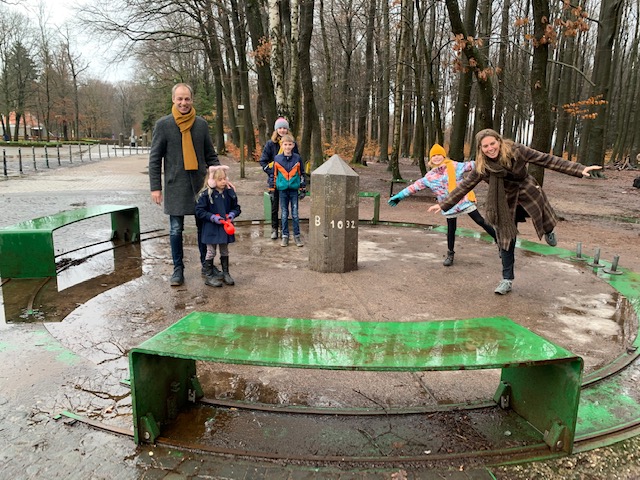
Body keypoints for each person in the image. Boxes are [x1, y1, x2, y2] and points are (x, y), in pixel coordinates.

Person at [428, 128, 602, 294]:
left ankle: (548, 230)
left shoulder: (517, 151)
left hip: (526, 190)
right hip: (504, 201)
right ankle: (507, 279)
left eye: (492, 143)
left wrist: (580, 169)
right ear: (480, 149)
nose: (490, 148)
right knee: (505, 238)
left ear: (499, 141)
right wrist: (444, 204)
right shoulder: (482, 167)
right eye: (485, 146)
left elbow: (547, 160)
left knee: (541, 212)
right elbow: (464, 186)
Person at [149, 83, 221, 286]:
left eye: (187, 98)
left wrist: (220, 177)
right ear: (173, 100)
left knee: (203, 228)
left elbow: (210, 155)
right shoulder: (163, 125)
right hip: (175, 184)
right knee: (175, 229)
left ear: (192, 100)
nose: (183, 102)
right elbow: (155, 159)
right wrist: (156, 187)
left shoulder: (201, 125)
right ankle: (177, 269)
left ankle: (205, 265)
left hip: (199, 185)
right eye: (179, 99)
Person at [388, 144, 497, 266]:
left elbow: (473, 165)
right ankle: (450, 253)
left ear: (444, 156)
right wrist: (400, 195)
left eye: (439, 154)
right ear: (430, 159)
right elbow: (415, 186)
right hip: (447, 205)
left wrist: (490, 158)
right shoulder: (429, 177)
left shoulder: (455, 166)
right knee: (451, 229)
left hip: (462, 200)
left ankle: (500, 242)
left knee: (480, 220)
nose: (437, 157)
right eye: (434, 155)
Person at [195, 165, 241, 287]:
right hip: (211, 228)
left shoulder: (229, 193)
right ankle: (209, 275)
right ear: (212, 180)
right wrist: (213, 217)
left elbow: (236, 208)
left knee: (225, 250)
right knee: (211, 252)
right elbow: (200, 211)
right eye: (220, 179)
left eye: (224, 179)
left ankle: (226, 273)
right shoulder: (206, 194)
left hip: (225, 228)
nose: (223, 182)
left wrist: (231, 215)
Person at [259, 117, 300, 240]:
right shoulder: (270, 144)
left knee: (286, 207)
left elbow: (297, 160)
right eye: (280, 128)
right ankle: (274, 228)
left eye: (284, 128)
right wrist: (273, 171)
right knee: (274, 206)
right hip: (275, 179)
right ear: (276, 130)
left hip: (289, 180)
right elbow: (263, 161)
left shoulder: (292, 143)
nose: (282, 130)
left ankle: (284, 229)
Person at [269, 134, 306, 247]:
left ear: (293, 145)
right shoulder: (277, 159)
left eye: (290, 144)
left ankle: (297, 236)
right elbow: (273, 175)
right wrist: (271, 188)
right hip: (282, 190)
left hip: (294, 190)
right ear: (282, 145)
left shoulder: (297, 158)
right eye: (285, 144)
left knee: (295, 213)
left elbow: (302, 174)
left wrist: (302, 188)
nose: (288, 147)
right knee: (284, 213)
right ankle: (285, 235)